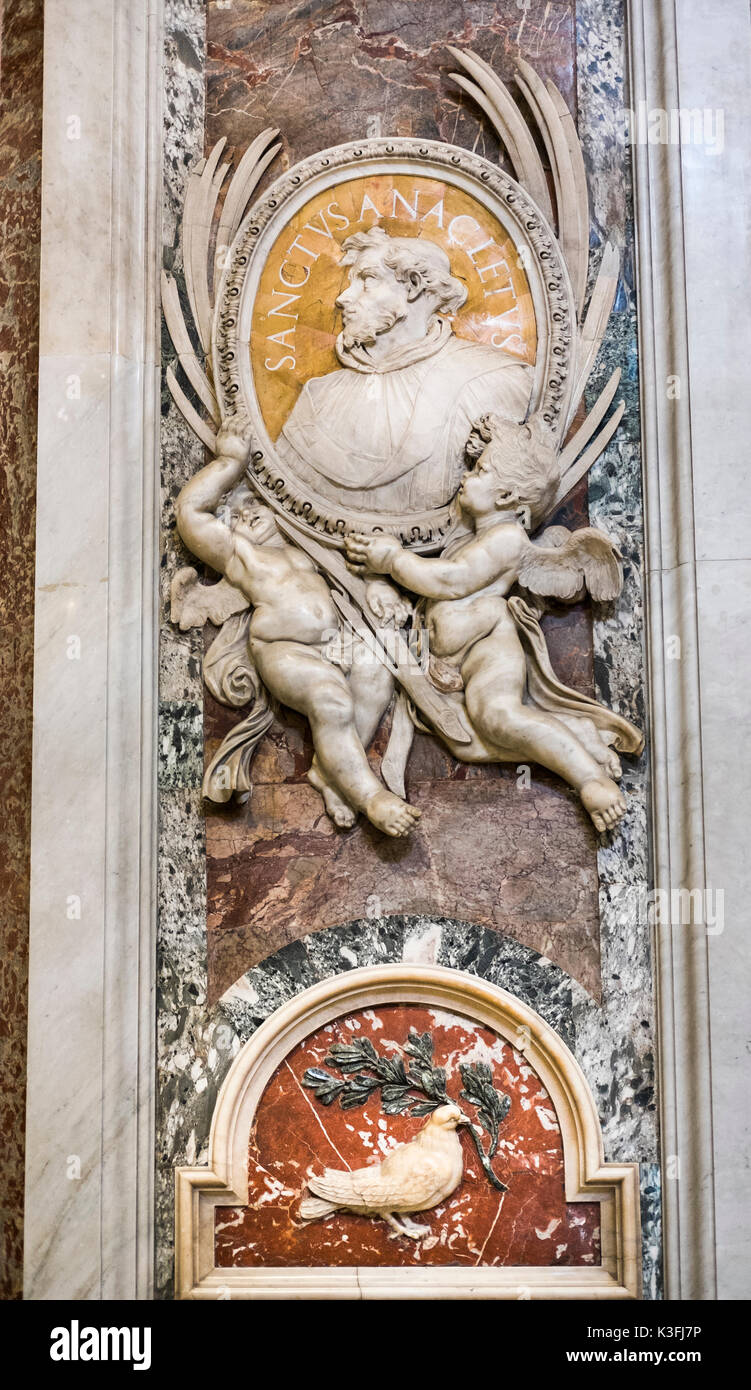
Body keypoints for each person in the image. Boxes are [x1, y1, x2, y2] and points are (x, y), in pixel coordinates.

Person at [345, 414, 643, 833]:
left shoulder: (507, 540)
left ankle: (589, 781)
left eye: (481, 471)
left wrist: (392, 560)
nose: (467, 477)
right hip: (453, 656)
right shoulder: (470, 532)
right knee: (473, 745)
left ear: (506, 495)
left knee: (498, 717)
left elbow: (450, 581)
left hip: (487, 649)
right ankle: (573, 736)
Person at [175, 419, 419, 837]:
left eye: (255, 506)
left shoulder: (308, 551)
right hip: (284, 649)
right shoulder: (242, 558)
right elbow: (190, 512)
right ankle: (370, 797)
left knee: (377, 670)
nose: (247, 516)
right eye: (235, 513)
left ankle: (332, 772)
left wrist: (380, 588)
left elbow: (357, 574)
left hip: (335, 641)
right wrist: (230, 461)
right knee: (331, 700)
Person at [275, 226, 532, 514]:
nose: (343, 297)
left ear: (412, 286)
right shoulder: (318, 396)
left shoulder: (491, 379)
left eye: (367, 280)